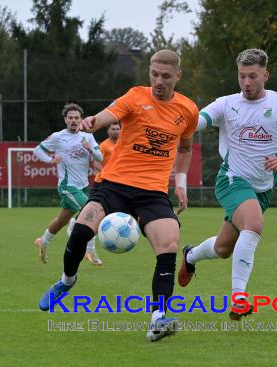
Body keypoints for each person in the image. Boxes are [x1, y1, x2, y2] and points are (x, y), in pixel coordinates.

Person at [37, 49, 199, 343]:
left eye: (165, 76)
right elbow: (108, 114)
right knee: (81, 230)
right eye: (154, 74)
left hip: (152, 192)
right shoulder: (136, 96)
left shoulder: (188, 110)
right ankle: (67, 281)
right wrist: (92, 121)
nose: (159, 81)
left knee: (169, 243)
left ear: (178, 75)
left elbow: (185, 147)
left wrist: (181, 183)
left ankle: (158, 319)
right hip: (114, 184)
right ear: (149, 72)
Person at [177, 48, 277, 321]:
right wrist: (181, 124)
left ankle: (191, 256)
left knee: (223, 249)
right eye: (242, 76)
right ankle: (239, 298)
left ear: (265, 75)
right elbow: (199, 121)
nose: (246, 82)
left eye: (252, 76)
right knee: (255, 225)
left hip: (261, 190)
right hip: (231, 180)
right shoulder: (226, 104)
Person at [33, 103, 104, 266]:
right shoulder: (58, 137)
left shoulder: (88, 137)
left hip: (82, 185)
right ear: (65, 120)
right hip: (67, 186)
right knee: (90, 211)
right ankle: (90, 251)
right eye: (70, 118)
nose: (73, 120)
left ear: (81, 119)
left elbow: (100, 157)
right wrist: (50, 160)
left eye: (77, 118)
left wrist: (90, 150)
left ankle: (43, 242)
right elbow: (37, 150)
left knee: (61, 220)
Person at [66, 123, 121, 247]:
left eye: (118, 129)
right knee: (92, 208)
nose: (116, 131)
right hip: (101, 182)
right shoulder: (104, 145)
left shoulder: (123, 144)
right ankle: (76, 223)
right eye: (113, 129)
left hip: (116, 183)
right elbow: (96, 164)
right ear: (108, 131)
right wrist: (108, 174)